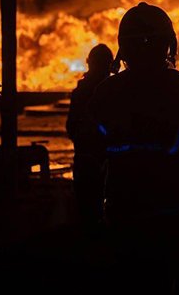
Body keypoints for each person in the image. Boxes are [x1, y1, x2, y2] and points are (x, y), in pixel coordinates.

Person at [89, 2, 179, 293]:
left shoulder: (108, 91)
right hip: (172, 209)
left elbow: (90, 151)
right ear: (168, 45)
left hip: (124, 207)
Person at [66, 44, 114, 235]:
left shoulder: (82, 91)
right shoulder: (112, 90)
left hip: (88, 154)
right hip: (101, 155)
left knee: (87, 201)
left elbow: (71, 126)